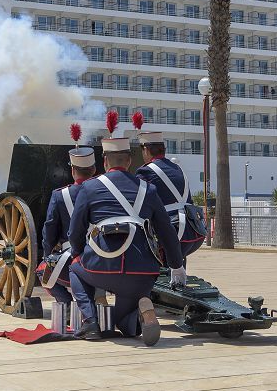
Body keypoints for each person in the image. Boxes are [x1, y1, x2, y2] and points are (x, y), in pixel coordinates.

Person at [67, 132, 185, 346]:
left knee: (74, 267)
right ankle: (145, 306)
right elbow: (166, 232)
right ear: (130, 161)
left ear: (104, 161)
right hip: (141, 273)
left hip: (101, 268)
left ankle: (91, 322)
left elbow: (75, 231)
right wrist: (177, 267)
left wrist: (78, 252)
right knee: (127, 328)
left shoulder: (89, 188)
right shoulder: (148, 189)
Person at [40, 127, 98, 312]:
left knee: (43, 271)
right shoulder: (105, 192)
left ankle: (65, 304)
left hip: (72, 257)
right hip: (106, 258)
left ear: (72, 170)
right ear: (95, 169)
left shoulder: (59, 196)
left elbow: (49, 229)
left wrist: (47, 254)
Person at [135, 129, 206, 262]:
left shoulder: (146, 171)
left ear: (146, 149)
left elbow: (138, 205)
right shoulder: (177, 168)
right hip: (193, 232)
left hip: (172, 232)